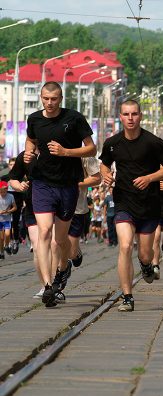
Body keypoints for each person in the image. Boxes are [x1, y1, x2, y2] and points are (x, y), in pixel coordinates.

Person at [24, 81, 97, 308]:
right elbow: (31, 139)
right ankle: (47, 286)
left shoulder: (74, 119)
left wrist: (66, 152)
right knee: (44, 232)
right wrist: (29, 152)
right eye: (46, 98)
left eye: (54, 99)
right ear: (41, 98)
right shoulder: (34, 119)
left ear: (61, 99)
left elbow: (91, 148)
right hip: (42, 183)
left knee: (61, 240)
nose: (49, 103)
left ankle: (62, 270)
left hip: (67, 185)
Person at [99, 100, 163, 312]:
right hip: (123, 200)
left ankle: (146, 265)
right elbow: (104, 163)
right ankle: (127, 297)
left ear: (140, 116)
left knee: (144, 254)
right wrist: (106, 176)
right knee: (124, 246)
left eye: (134, 114)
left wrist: (150, 178)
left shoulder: (153, 142)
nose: (130, 118)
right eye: (126, 114)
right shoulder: (112, 143)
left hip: (149, 203)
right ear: (120, 117)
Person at [52, 157, 101, 302]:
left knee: (71, 253)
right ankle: (56, 285)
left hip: (78, 209)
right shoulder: (53, 152)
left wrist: (75, 183)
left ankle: (73, 255)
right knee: (55, 245)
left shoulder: (86, 157)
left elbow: (96, 179)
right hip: (57, 207)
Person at [8, 152, 41, 296]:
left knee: (54, 245)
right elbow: (13, 179)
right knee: (38, 247)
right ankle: (46, 285)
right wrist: (19, 186)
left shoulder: (57, 149)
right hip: (32, 207)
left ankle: (63, 268)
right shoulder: (26, 156)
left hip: (55, 206)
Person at [0, 181, 16, 259]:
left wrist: (8, 211)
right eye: (1, 191)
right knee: (1, 238)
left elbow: (15, 207)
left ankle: (6, 246)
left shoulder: (11, 196)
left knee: (7, 234)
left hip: (7, 218)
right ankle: (2, 253)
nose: (3, 193)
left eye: (5, 191)